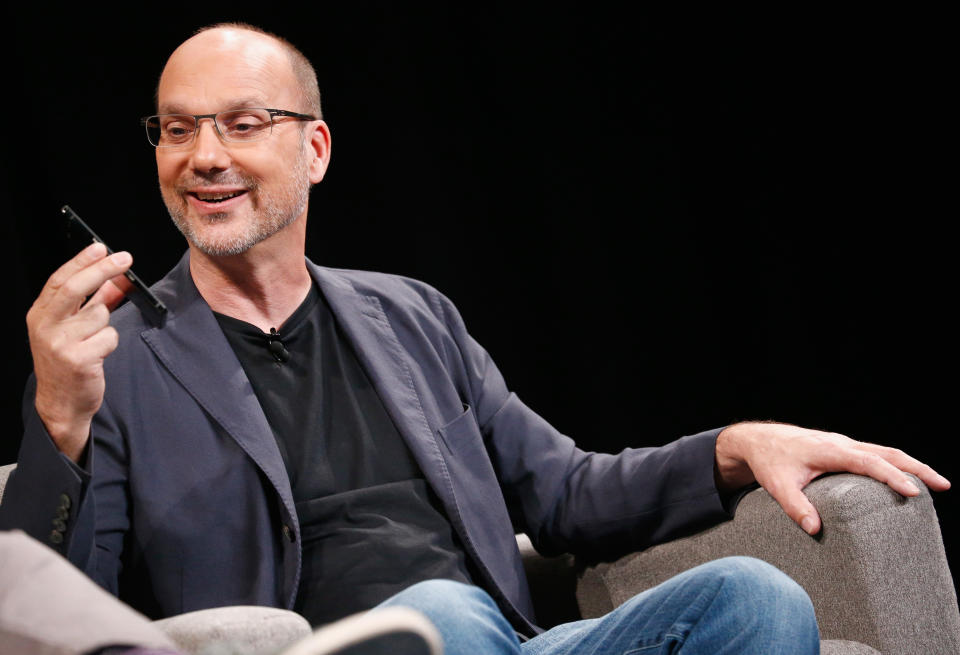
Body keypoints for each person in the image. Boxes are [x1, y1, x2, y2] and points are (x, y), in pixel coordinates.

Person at [0, 22, 949, 654]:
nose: (203, 154)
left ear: (315, 149)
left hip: (500, 640)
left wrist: (736, 447)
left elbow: (566, 491)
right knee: (441, 610)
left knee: (753, 595)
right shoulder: (116, 361)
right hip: (340, 646)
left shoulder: (412, 315)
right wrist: (57, 418)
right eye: (176, 130)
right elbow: (51, 605)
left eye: (242, 123)